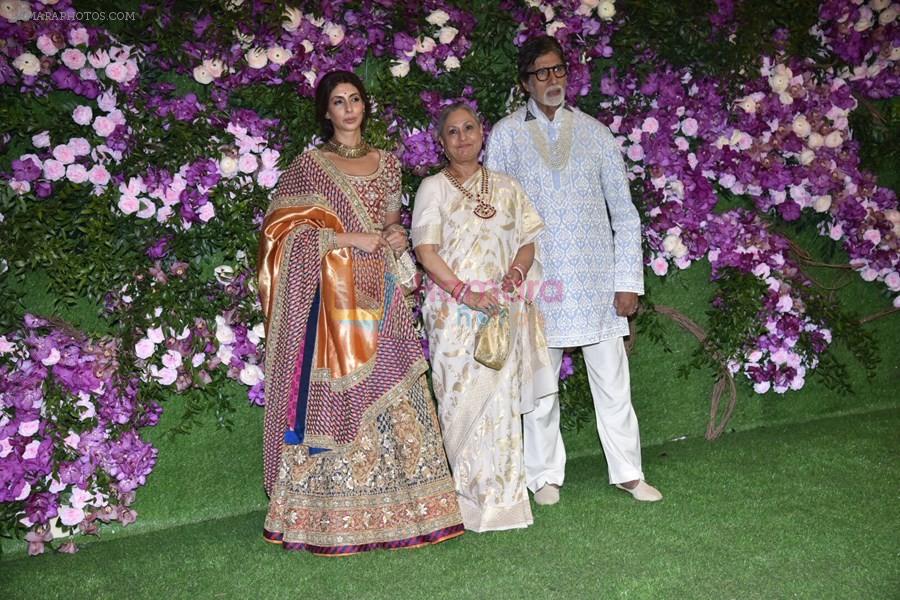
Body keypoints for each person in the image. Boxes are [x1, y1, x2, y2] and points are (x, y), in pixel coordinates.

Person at [257, 70, 464, 555]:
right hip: (333, 302)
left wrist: (393, 235)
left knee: (396, 384)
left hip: (382, 291)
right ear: (326, 112)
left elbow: (391, 222)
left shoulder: (389, 164)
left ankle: (416, 510)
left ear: (364, 105)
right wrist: (349, 239)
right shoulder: (310, 167)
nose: (349, 108)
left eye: (355, 99)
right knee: (344, 397)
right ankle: (329, 517)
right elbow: (282, 236)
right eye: (338, 101)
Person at [485, 36, 663, 504]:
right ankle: (544, 477)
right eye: (541, 73)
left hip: (598, 281)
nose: (552, 80)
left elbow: (624, 213)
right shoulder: (504, 136)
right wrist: (509, 281)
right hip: (540, 282)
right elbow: (498, 218)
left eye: (559, 70)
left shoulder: (595, 133)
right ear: (525, 81)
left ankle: (628, 471)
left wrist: (628, 283)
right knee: (541, 390)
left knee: (613, 384)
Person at [412, 102, 557, 531]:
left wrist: (515, 273)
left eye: (469, 128)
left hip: (499, 308)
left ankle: (506, 502)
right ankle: (467, 504)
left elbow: (527, 241)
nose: (462, 138)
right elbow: (425, 251)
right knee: (458, 404)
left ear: (482, 132)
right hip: (452, 312)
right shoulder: (432, 189)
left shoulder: (508, 187)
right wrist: (463, 292)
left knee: (501, 405)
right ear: (442, 143)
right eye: (452, 132)